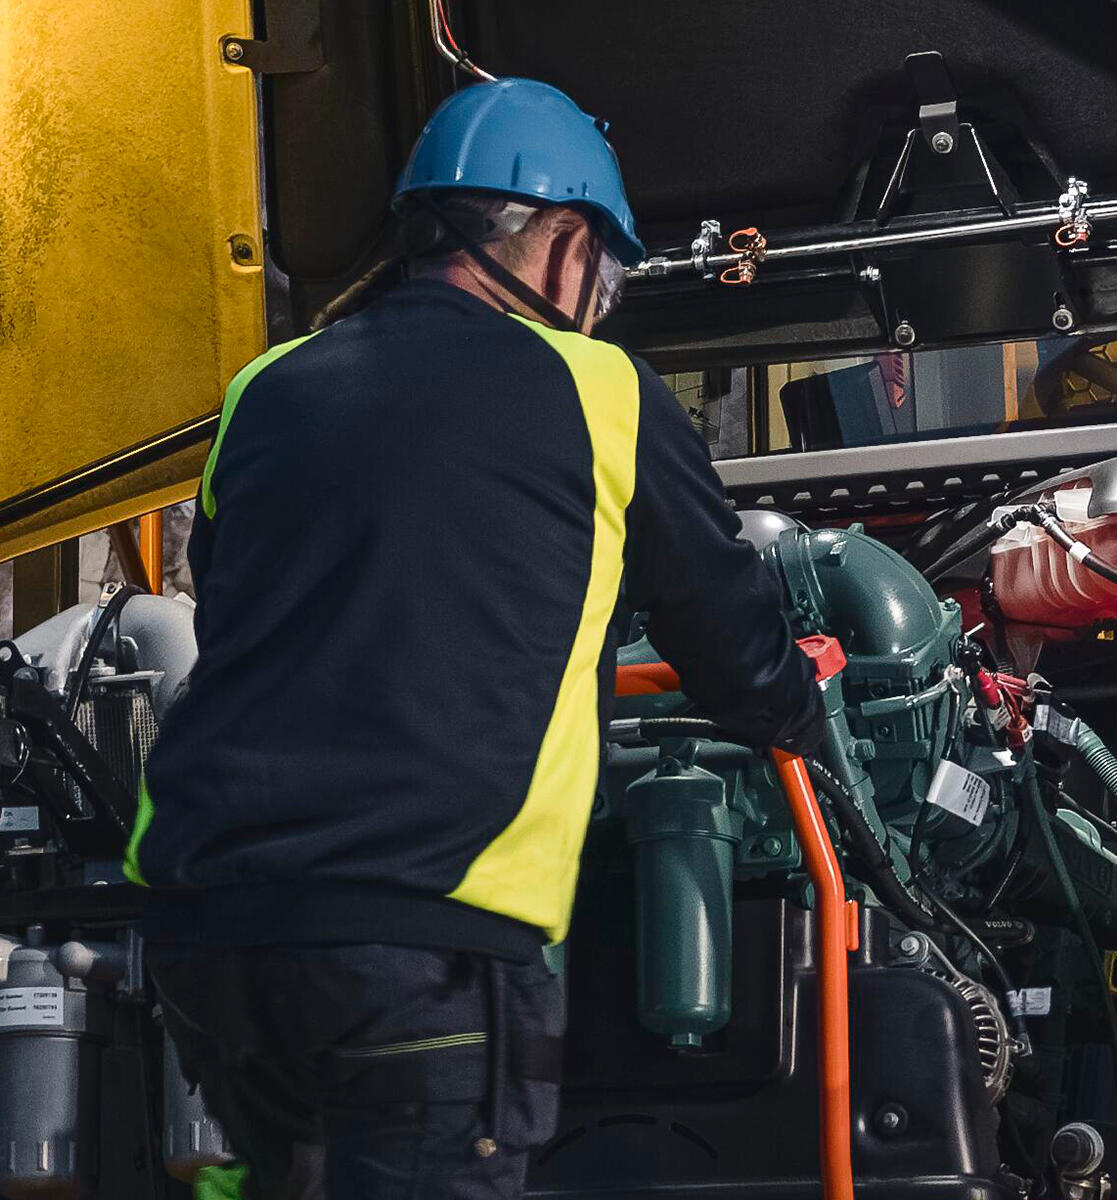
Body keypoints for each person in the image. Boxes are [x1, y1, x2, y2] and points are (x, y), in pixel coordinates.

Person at [127, 77, 826, 1200]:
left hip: (214, 937)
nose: (599, 300)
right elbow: (731, 646)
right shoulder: (601, 389)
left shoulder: (266, 386)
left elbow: (245, 595)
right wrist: (803, 708)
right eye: (603, 267)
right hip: (421, 940)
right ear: (556, 239)